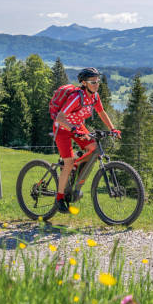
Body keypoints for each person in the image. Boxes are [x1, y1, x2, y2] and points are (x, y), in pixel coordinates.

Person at [53, 67, 120, 214]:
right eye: (93, 82)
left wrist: (113, 129)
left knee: (94, 148)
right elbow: (60, 117)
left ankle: (76, 165)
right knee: (69, 162)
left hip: (77, 127)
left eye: (98, 81)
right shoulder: (77, 97)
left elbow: (101, 112)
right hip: (63, 129)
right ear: (84, 83)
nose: (97, 85)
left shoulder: (95, 97)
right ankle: (59, 198)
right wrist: (72, 129)